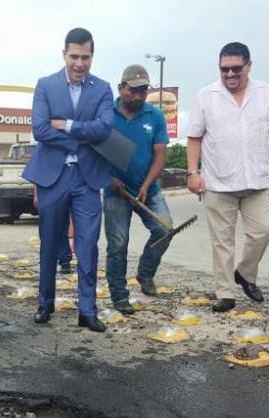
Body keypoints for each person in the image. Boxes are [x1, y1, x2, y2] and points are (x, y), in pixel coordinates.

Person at [185, 41, 269, 312]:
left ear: (249, 66)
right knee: (222, 242)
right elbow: (194, 137)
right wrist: (193, 173)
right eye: (224, 69)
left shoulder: (264, 92)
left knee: (263, 231)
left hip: (258, 179)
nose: (230, 74)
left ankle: (245, 273)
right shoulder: (205, 96)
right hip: (218, 182)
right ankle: (225, 293)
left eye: (236, 69)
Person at [22, 27, 113, 332]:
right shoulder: (46, 85)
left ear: (92, 57)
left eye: (85, 57)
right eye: (74, 56)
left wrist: (68, 125)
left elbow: (104, 129)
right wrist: (81, 138)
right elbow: (40, 130)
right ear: (64, 54)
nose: (79, 63)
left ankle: (87, 311)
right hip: (53, 177)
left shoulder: (103, 89)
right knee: (49, 243)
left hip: (87, 180)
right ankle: (45, 303)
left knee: (88, 246)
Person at [103, 64, 172, 315]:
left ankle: (145, 273)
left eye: (143, 90)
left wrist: (145, 185)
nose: (138, 95)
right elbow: (92, 152)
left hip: (147, 189)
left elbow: (160, 155)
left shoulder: (155, 116)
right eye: (133, 90)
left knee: (165, 229)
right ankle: (119, 296)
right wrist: (109, 178)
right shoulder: (106, 114)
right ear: (121, 88)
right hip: (116, 191)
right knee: (118, 245)